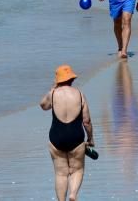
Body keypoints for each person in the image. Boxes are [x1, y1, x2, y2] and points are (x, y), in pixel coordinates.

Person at [40, 65, 94, 201]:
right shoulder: (79, 94)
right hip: (76, 137)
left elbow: (43, 106)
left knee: (60, 173)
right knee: (77, 169)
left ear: (58, 80)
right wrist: (90, 138)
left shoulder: (53, 94)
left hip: (56, 138)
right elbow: (86, 121)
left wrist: (52, 89)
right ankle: (73, 194)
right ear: (71, 79)